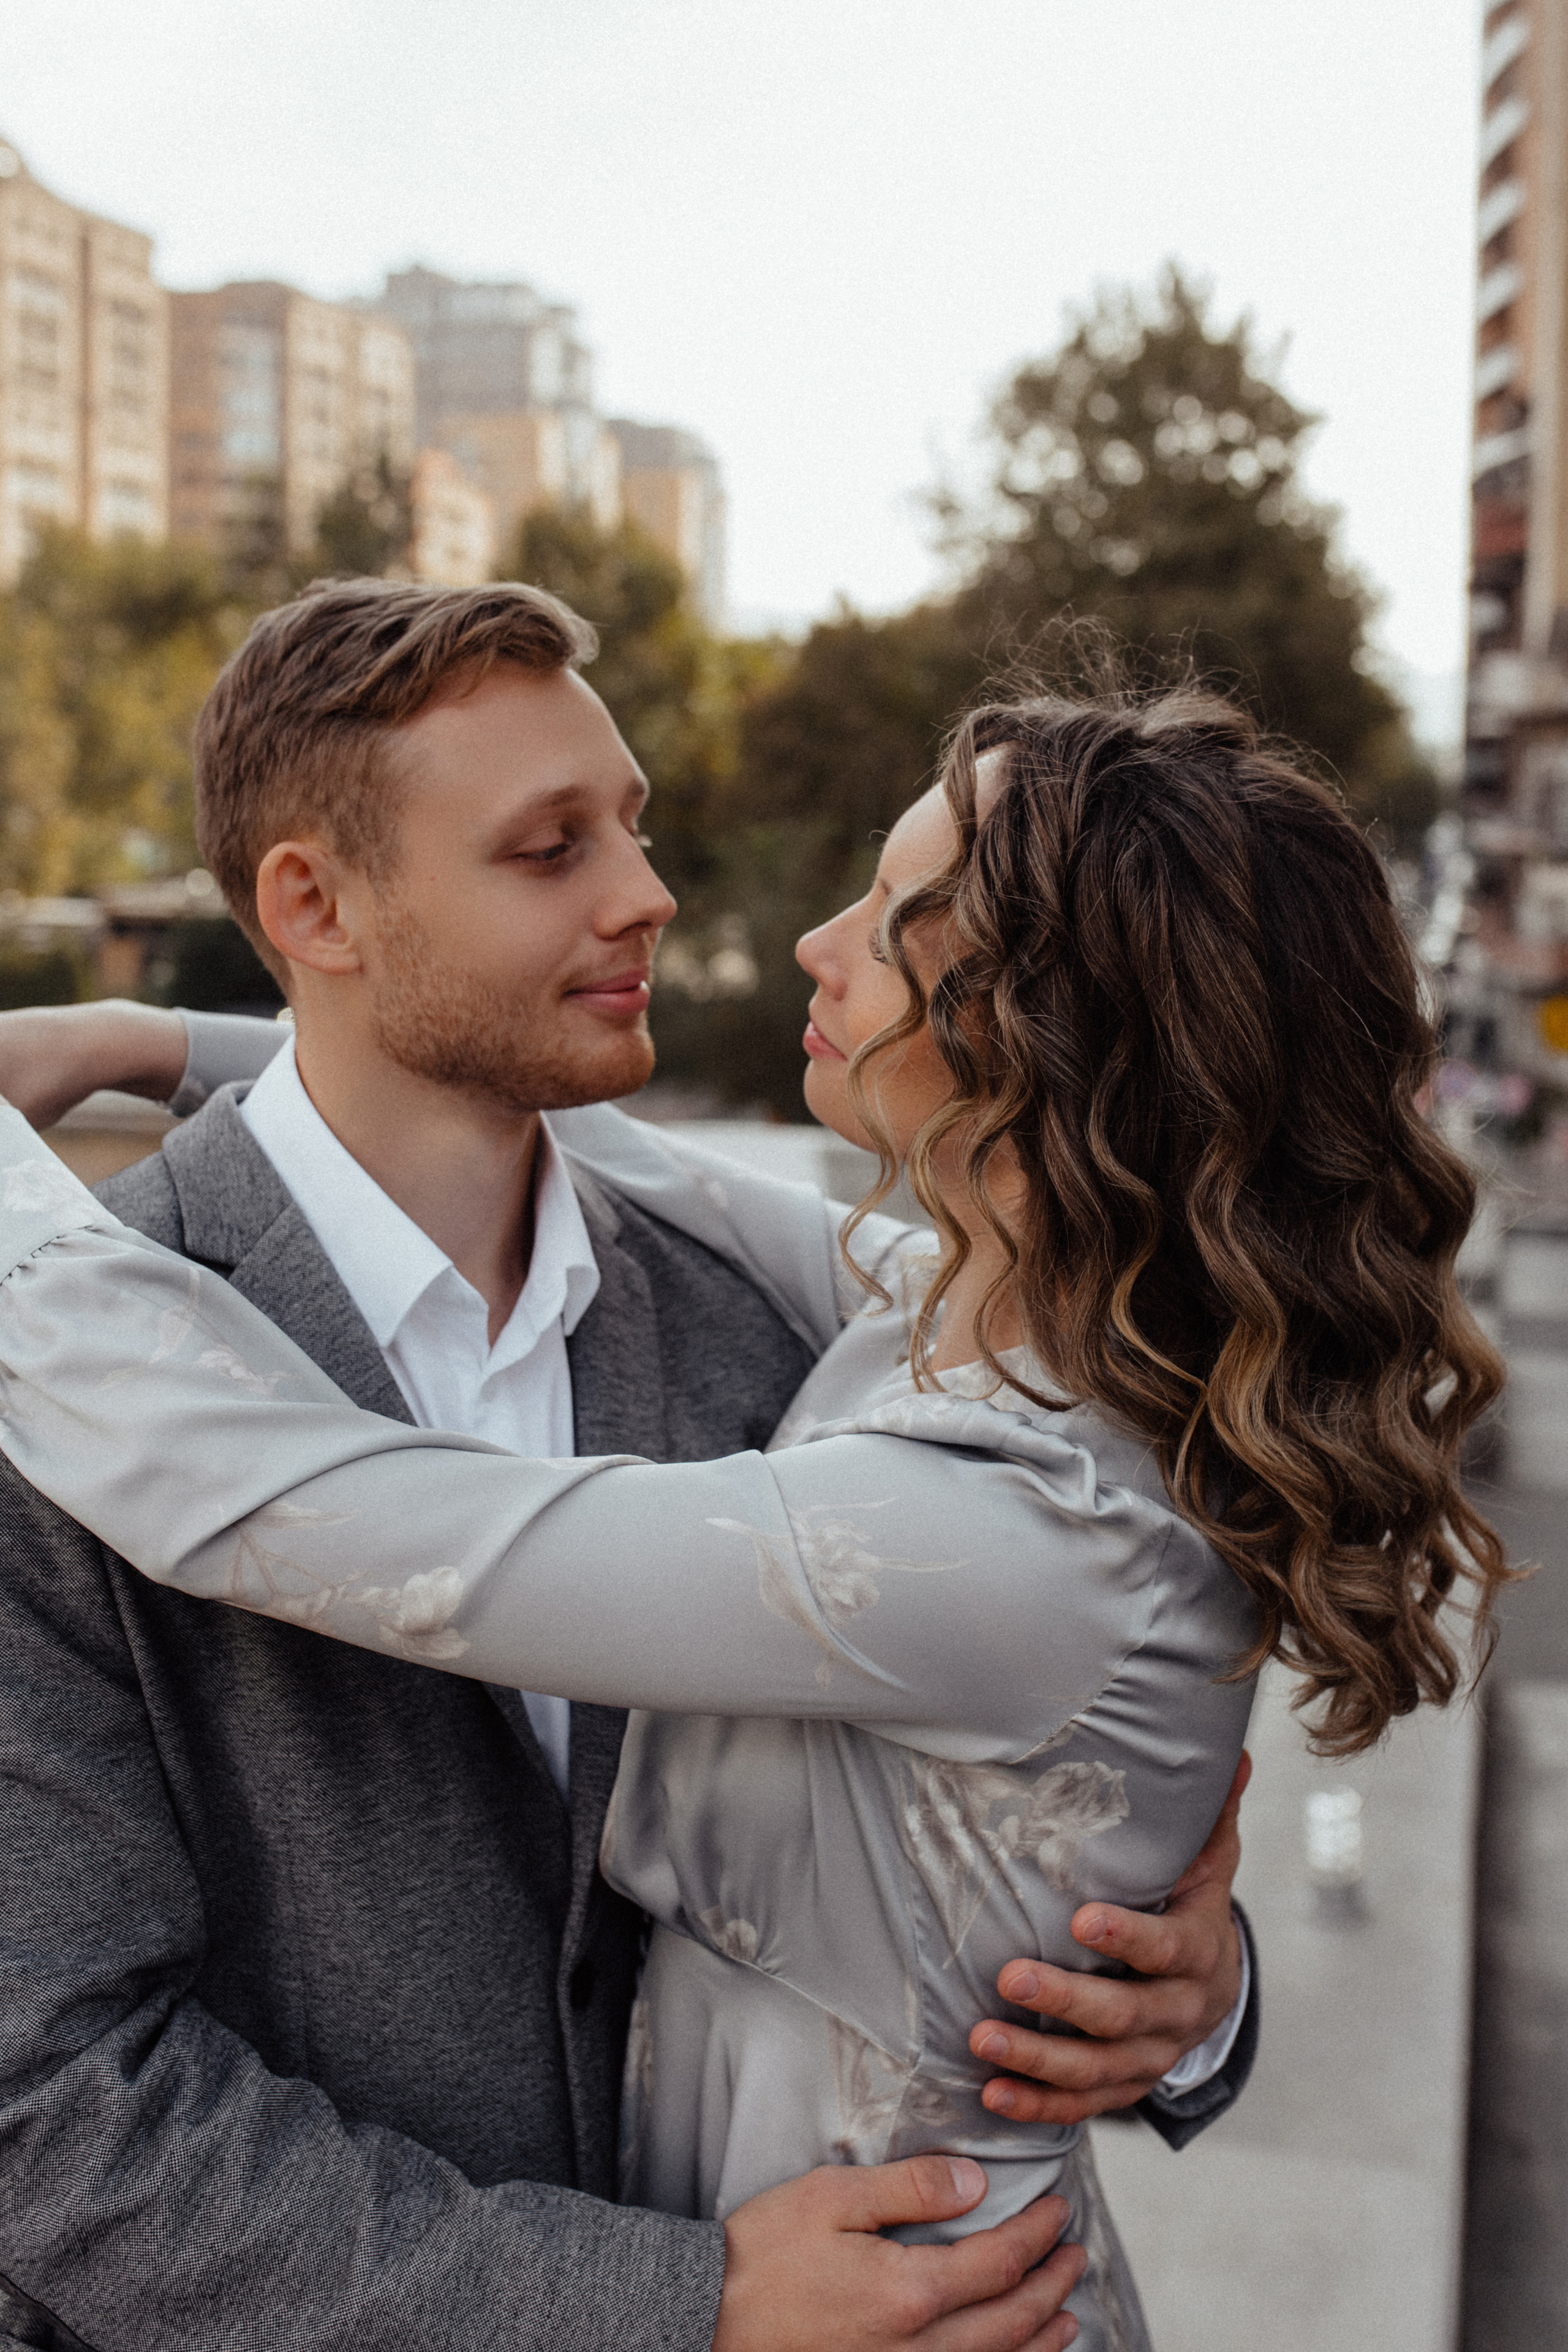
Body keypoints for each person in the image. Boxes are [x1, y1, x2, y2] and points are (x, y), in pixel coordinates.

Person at [0, 671, 1506, 2348]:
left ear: (1037, 1040)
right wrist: (162, 1044)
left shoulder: (1004, 1530)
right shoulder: (972, 1308)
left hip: (937, 2310)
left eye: (886, 908)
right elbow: (655, 1164)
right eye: (550, 844)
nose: (798, 935)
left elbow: (259, 1488)